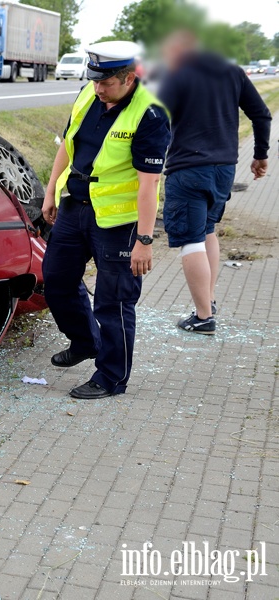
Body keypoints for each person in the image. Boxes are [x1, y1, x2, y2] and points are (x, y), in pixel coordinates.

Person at [41, 41, 171, 400]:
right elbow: (67, 145)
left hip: (118, 222)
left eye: (107, 83)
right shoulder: (88, 94)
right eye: (94, 80)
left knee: (113, 302)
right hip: (74, 206)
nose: (98, 89)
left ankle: (112, 377)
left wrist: (144, 240)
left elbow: (149, 186)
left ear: (129, 78)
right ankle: (86, 341)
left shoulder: (150, 115)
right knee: (55, 281)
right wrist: (51, 190)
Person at [158, 30, 271, 335]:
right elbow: (261, 115)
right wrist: (260, 155)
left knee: (190, 240)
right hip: (224, 169)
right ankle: (208, 299)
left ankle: (203, 316)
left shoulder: (178, 74)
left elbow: (155, 117)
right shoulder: (232, 72)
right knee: (208, 231)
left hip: (189, 170)